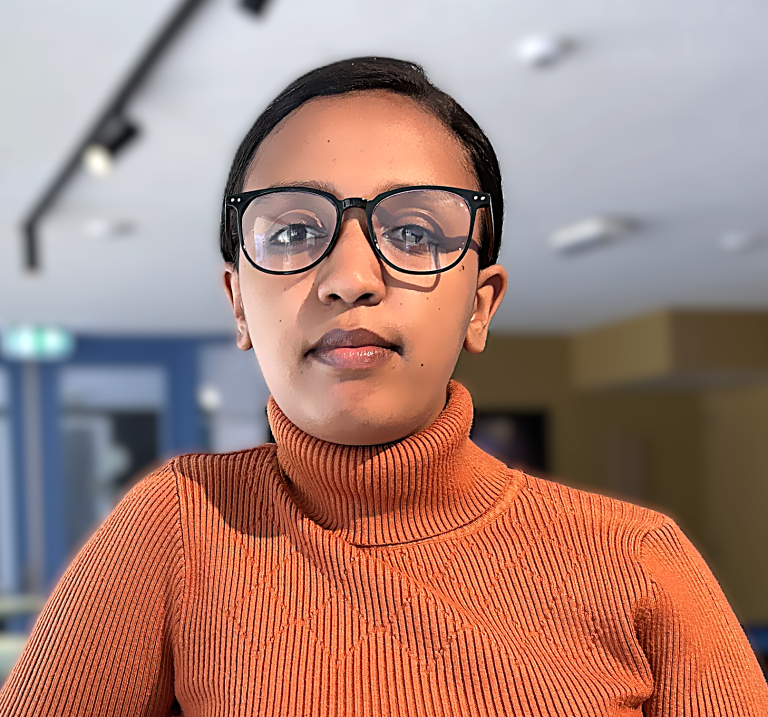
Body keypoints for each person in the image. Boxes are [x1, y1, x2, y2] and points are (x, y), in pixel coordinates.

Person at [1, 56, 767, 716]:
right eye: (296, 231)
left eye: (414, 232)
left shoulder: (639, 561)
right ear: (239, 302)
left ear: (481, 302)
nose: (350, 277)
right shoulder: (174, 526)